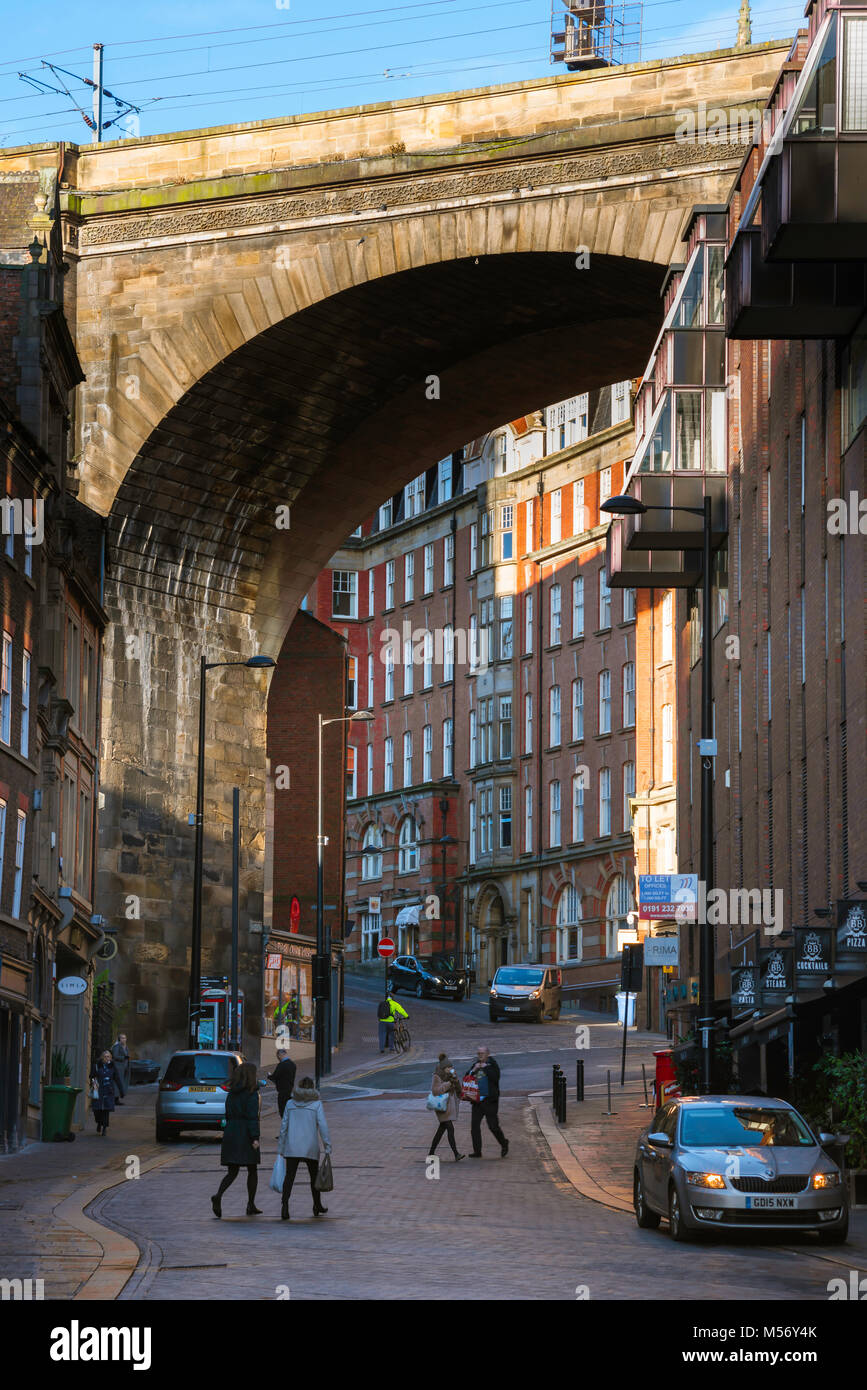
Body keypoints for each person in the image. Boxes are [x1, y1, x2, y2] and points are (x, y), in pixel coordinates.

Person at [211, 1061, 262, 1218]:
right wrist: (255, 1137)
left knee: (232, 1171)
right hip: (245, 1133)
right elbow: (252, 1117)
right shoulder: (252, 1093)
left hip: (231, 1132)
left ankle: (218, 1195)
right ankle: (251, 1204)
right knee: (252, 1169)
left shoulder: (232, 1093)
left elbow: (226, 1114)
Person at [278, 1076, 332, 1220]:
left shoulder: (290, 1103)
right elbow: (323, 1126)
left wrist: (281, 1147)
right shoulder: (317, 1104)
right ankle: (317, 1205)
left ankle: (284, 1206)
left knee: (289, 1177)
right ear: (312, 1088)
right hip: (310, 1146)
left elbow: (284, 1126)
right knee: (314, 1177)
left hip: (292, 1146)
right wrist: (327, 1145)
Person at [467, 1045, 509, 1159]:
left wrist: (485, 1068)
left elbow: (496, 1078)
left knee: (493, 1126)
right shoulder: (475, 1065)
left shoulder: (492, 1064)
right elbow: (467, 1077)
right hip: (477, 1101)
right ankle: (477, 1151)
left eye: (482, 1053)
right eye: (478, 1053)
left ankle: (504, 1143)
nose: (480, 1055)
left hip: (490, 1101)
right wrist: (473, 1070)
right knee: (474, 1126)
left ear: (487, 1054)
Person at [429, 1053, 464, 1162]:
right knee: (450, 1128)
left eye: (451, 1067)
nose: (451, 1069)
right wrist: (449, 1084)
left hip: (448, 1106)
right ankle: (456, 1154)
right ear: (444, 1068)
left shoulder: (451, 1075)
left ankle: (431, 1153)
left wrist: (455, 1079)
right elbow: (435, 1091)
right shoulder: (437, 1076)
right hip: (441, 1106)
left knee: (441, 1131)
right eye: (449, 1067)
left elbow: (459, 1089)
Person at [90, 1050, 122, 1135]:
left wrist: (121, 1090)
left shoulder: (112, 1067)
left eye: (108, 1057)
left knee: (106, 1110)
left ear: (111, 1058)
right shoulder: (96, 1066)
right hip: (98, 1090)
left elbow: (117, 1078)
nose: (107, 1058)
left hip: (108, 1091)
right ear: (102, 1058)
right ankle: (99, 1123)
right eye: (105, 1056)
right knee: (97, 1110)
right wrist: (94, 1082)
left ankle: (104, 1128)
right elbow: (91, 1076)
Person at [268, 1047, 297, 1117]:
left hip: (282, 1090)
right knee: (289, 1109)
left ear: (279, 1055)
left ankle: (285, 1124)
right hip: (290, 1089)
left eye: (278, 1056)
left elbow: (274, 1076)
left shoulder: (281, 1065)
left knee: (283, 1110)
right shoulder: (293, 1064)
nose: (278, 1058)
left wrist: (269, 1076)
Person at [111, 1033, 130, 1104]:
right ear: (119, 1039)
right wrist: (123, 1058)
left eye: (125, 1038)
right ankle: (115, 1099)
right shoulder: (117, 1046)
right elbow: (115, 1056)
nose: (124, 1039)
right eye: (122, 1038)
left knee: (121, 1083)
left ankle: (117, 1098)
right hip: (118, 1067)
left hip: (124, 1068)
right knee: (117, 1083)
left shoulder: (126, 1047)